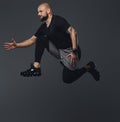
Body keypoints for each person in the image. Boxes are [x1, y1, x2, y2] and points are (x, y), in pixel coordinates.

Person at [4, 2, 100, 83]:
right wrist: (17, 45)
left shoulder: (58, 21)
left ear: (48, 11)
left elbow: (73, 32)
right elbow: (32, 40)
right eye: (38, 12)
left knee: (67, 79)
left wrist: (74, 51)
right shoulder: (43, 27)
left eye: (40, 11)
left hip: (70, 52)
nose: (38, 14)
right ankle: (36, 67)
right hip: (59, 51)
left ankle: (89, 67)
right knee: (40, 39)